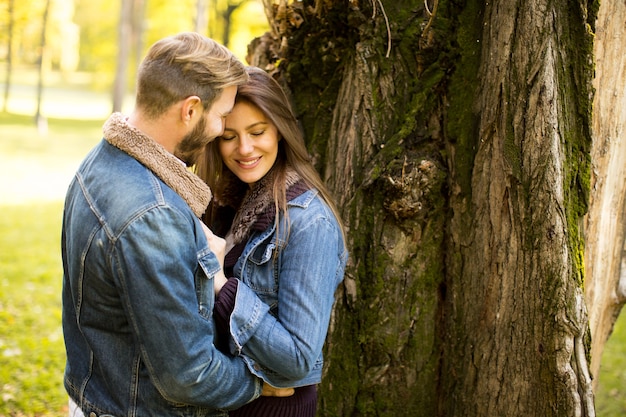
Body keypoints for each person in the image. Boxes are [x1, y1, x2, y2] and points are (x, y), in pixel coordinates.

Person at [61, 33, 291, 417]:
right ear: (190, 110)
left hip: (96, 397)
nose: (220, 129)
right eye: (221, 116)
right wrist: (260, 383)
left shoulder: (98, 164)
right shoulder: (153, 216)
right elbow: (188, 374)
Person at [196, 66, 348, 417]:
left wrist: (221, 284)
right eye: (229, 136)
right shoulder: (230, 201)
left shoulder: (309, 224)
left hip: (273, 409)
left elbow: (297, 358)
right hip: (231, 400)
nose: (244, 148)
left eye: (257, 131)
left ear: (280, 130)